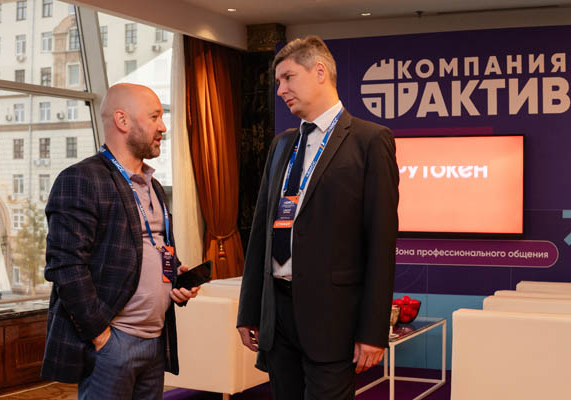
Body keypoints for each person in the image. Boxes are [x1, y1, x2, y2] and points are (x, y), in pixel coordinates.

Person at [237, 36, 399, 399]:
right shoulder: (282, 144)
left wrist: (373, 331)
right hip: (278, 316)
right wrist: (249, 311)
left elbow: (381, 243)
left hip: (333, 319)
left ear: (320, 72)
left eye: (288, 78)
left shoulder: (370, 141)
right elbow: (261, 232)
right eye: (278, 82)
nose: (280, 90)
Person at [41, 83, 199, 399]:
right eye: (154, 117)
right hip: (113, 343)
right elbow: (66, 266)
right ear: (122, 120)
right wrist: (101, 336)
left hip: (155, 340)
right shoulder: (81, 178)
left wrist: (175, 279)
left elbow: (152, 249)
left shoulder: (153, 186)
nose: (163, 127)